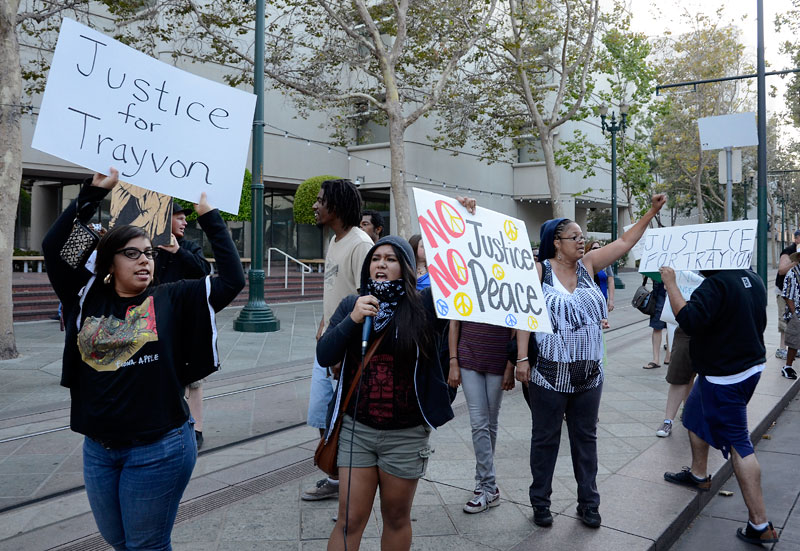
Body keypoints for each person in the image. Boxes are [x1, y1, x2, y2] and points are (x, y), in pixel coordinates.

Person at [41, 168, 245, 550]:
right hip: (99, 450)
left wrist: (209, 217)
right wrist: (91, 193)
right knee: (119, 541)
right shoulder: (84, 297)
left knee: (146, 545)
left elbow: (232, 281)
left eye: (148, 253)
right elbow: (54, 247)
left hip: (160, 447)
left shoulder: (171, 298)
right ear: (109, 261)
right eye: (131, 253)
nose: (144, 261)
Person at [515, 194, 666, 529]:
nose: (582, 242)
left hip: (589, 372)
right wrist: (522, 358)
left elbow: (627, 240)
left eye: (583, 237)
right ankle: (541, 502)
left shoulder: (589, 265)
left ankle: (589, 504)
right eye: (575, 237)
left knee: (586, 438)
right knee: (545, 439)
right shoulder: (538, 270)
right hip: (549, 373)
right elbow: (525, 315)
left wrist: (652, 211)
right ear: (556, 242)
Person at [318, 235, 456, 551]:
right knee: (349, 519)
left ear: (405, 267)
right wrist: (352, 320)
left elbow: (462, 279)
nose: (381, 264)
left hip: (405, 436)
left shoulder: (424, 306)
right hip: (357, 430)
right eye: (376, 258)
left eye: (391, 259)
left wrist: (463, 216)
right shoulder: (352, 304)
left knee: (395, 517)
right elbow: (325, 354)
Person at [660, 265, 779, 546]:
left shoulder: (714, 285)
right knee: (692, 413)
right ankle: (698, 474)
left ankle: (760, 524)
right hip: (743, 367)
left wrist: (671, 284)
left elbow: (689, 320)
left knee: (739, 443)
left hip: (726, 377)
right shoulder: (752, 277)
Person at [303, 179, 374, 502]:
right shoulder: (335, 241)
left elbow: (368, 299)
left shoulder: (360, 244)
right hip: (328, 342)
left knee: (338, 417)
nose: (315, 206)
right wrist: (323, 325)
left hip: (345, 349)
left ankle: (347, 484)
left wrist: (344, 351)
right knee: (321, 415)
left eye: (320, 200)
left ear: (337, 205)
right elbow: (335, 291)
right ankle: (336, 477)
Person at [156, 202, 213, 450]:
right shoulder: (149, 248)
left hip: (186, 323)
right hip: (156, 323)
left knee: (195, 380)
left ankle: (197, 428)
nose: (185, 222)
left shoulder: (189, 246)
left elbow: (205, 270)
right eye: (179, 218)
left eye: (184, 218)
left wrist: (179, 251)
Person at [447, 321, 515, 513]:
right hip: (468, 356)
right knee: (479, 422)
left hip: (498, 357)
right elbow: (454, 323)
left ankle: (483, 483)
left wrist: (510, 365)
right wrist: (453, 361)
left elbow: (515, 324)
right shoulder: (464, 288)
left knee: (490, 423)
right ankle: (488, 486)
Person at [655, 326, 694, 437]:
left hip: (715, 327)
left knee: (710, 377)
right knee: (679, 374)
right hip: (688, 326)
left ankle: (689, 412)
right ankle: (668, 420)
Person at [774, 230, 800, 360]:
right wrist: (796, 261)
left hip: (797, 293)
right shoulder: (788, 251)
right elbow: (781, 270)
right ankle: (782, 349)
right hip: (784, 292)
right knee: (785, 320)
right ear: (796, 239)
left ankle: (795, 347)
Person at [780, 254, 800, 379]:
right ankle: (788, 366)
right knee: (793, 341)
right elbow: (787, 296)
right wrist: (795, 315)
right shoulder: (792, 273)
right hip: (796, 312)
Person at [644, 281, 670, 369]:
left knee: (671, 326)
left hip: (675, 291)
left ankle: (668, 356)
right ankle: (656, 359)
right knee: (657, 327)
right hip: (659, 293)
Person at [584, 241, 614, 312]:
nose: (597, 250)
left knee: (603, 322)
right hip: (589, 301)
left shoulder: (605, 262)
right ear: (588, 250)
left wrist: (611, 300)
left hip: (603, 300)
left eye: (599, 248)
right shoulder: (584, 263)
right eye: (594, 248)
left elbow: (611, 280)